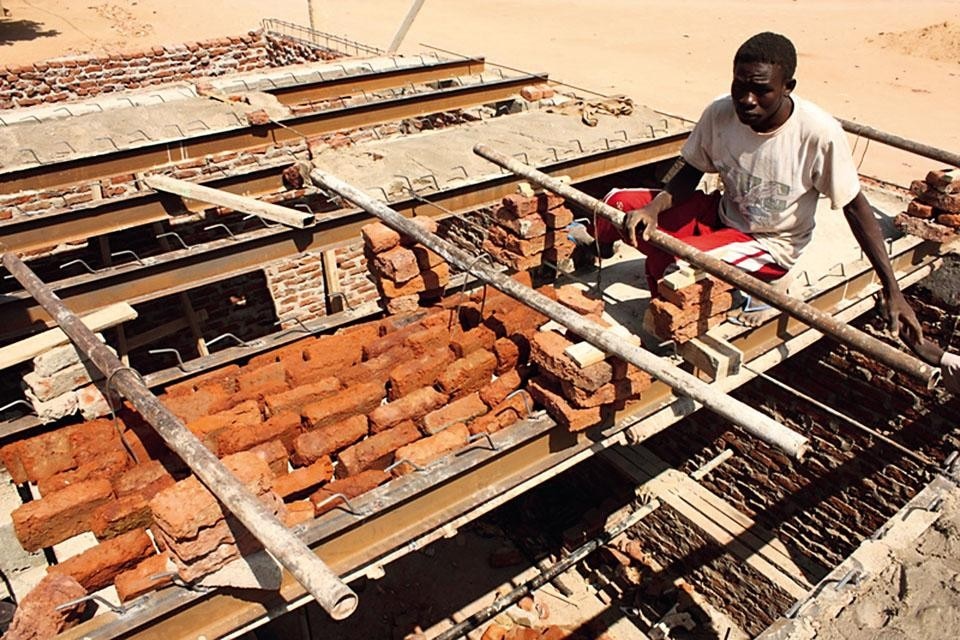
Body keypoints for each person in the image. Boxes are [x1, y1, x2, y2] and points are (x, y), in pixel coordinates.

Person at [570, 31, 922, 337]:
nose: (746, 99)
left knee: (678, 267)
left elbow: (856, 208)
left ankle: (673, 322)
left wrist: (892, 289)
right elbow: (691, 169)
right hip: (724, 213)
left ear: (788, 88)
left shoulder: (818, 134)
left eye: (761, 90)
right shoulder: (720, 113)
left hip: (768, 242)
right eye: (739, 84)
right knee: (616, 204)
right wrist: (652, 208)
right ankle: (598, 248)